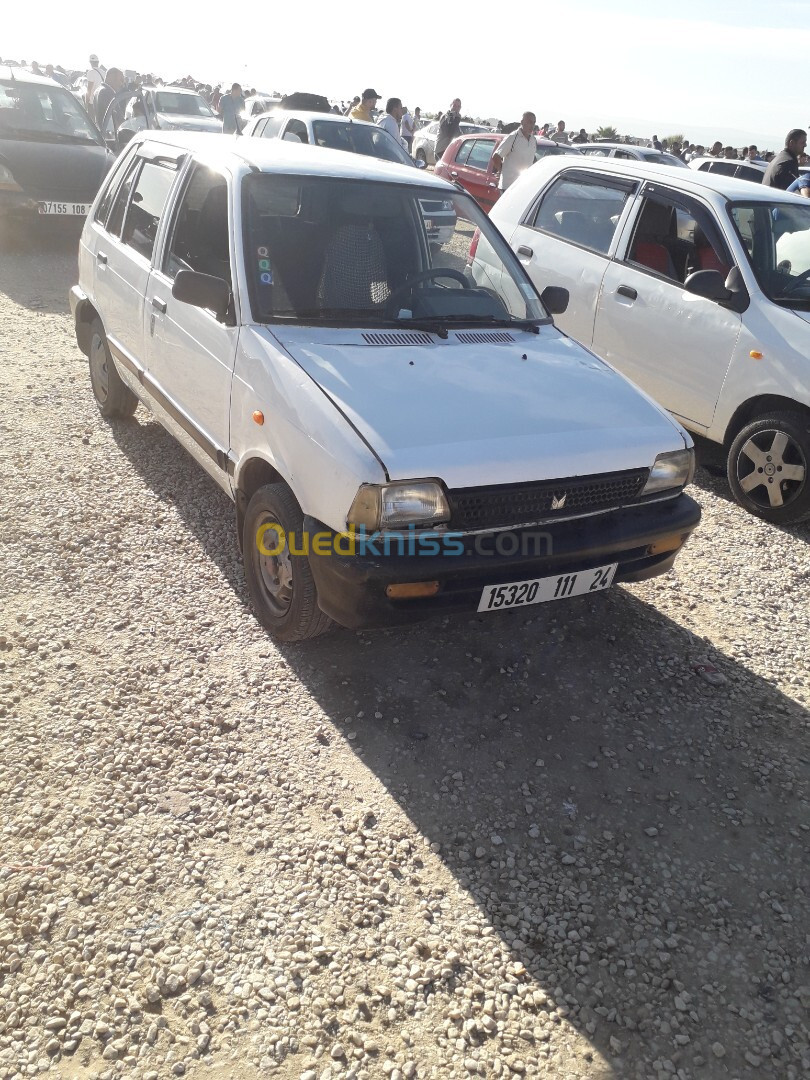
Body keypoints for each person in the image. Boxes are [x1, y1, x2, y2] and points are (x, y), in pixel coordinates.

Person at [491, 111, 537, 190]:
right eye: (529, 122)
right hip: (508, 187)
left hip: (523, 188)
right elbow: (496, 157)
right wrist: (502, 171)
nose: (532, 125)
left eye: (534, 122)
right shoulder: (512, 137)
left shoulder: (533, 140)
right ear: (522, 122)